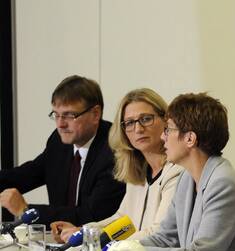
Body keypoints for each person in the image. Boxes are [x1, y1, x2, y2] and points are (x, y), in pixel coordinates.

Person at [140, 93, 235, 251]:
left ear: (190, 139)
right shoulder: (186, 178)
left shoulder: (224, 183)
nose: (163, 137)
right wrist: (120, 249)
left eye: (168, 129)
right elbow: (166, 238)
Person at [50, 88, 183, 242]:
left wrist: (100, 242)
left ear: (165, 120)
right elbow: (123, 221)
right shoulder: (137, 171)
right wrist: (85, 231)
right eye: (130, 123)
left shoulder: (176, 171)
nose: (138, 129)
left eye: (146, 119)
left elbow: (158, 233)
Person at [0, 75, 125, 227]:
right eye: (56, 115)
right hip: (59, 243)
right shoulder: (59, 141)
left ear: (95, 114)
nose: (60, 124)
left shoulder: (116, 150)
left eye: (69, 115)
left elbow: (91, 216)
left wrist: (27, 211)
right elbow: (28, 174)